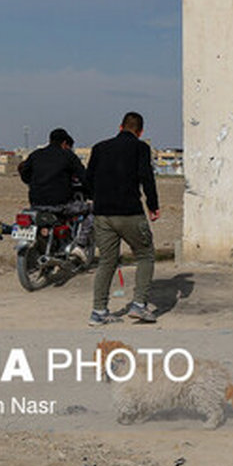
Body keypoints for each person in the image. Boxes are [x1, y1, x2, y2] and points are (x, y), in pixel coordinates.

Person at [84, 112, 160, 326]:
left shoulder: (99, 148)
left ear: (120, 127)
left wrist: (98, 199)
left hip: (102, 215)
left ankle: (98, 311)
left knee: (107, 261)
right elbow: (147, 178)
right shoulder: (141, 148)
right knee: (145, 255)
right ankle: (139, 305)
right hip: (130, 213)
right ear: (140, 131)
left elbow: (88, 180)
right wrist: (153, 206)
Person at [0, 127, 92, 261]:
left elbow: (25, 176)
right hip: (60, 204)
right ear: (65, 143)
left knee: (34, 223)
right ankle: (80, 246)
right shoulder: (69, 156)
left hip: (36, 203)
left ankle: (4, 228)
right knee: (91, 210)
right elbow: (84, 178)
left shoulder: (35, 155)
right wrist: (92, 193)